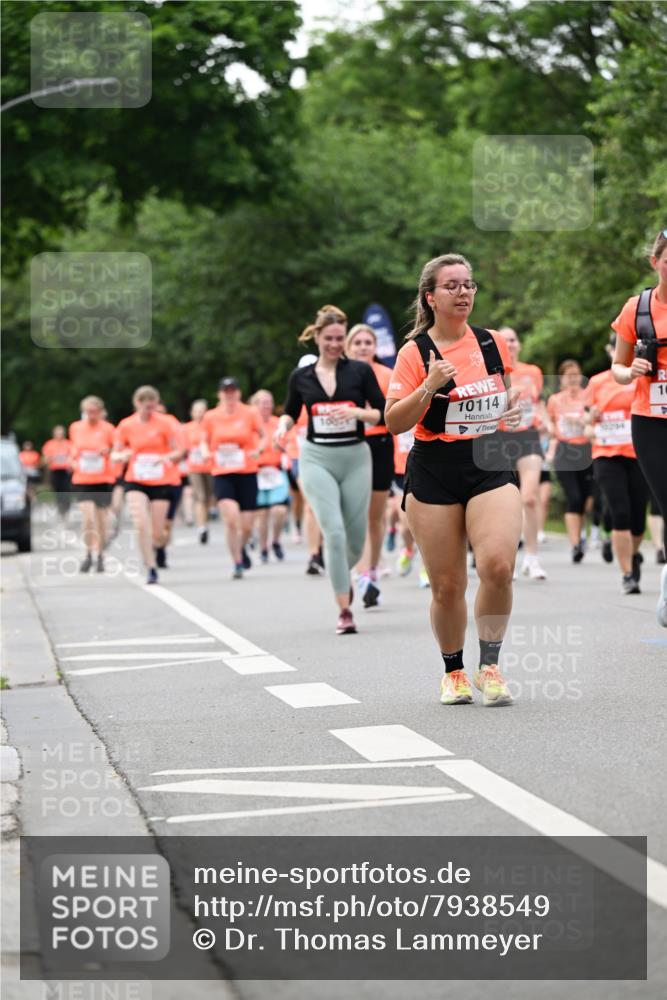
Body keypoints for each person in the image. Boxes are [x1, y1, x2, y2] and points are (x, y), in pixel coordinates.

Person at [385, 253, 522, 706]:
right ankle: (454, 671)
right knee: (447, 586)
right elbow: (394, 422)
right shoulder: (415, 352)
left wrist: (509, 411)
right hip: (434, 470)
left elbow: (501, 397)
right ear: (431, 297)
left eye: (468, 284)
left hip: (489, 460)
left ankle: (490, 665)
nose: (463, 292)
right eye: (452, 286)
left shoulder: (491, 342)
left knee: (498, 567)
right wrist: (428, 385)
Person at [275, 305, 386, 634]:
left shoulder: (360, 372)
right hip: (316, 457)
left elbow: (382, 413)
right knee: (334, 532)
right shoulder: (301, 377)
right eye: (329, 339)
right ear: (318, 338)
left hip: (355, 457)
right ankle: (344, 609)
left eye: (340, 339)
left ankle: (341, 571)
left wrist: (357, 414)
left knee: (355, 537)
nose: (335, 344)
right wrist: (281, 427)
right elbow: (291, 411)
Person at [611, 227, 667, 625]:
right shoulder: (637, 308)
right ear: (655, 262)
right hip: (651, 421)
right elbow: (617, 367)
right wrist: (630, 371)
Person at [586, 334, 648, 594]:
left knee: (638, 518)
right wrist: (591, 419)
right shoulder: (597, 382)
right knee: (620, 512)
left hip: (640, 454)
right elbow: (586, 423)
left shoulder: (644, 377)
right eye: (618, 348)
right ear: (610, 350)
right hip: (607, 454)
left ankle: (632, 554)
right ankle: (627, 574)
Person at [345, 323, 395, 607]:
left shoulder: (386, 374)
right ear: (348, 346)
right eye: (358, 342)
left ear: (375, 347)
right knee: (360, 514)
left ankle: (372, 570)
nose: (363, 347)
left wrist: (362, 413)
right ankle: (362, 575)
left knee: (376, 516)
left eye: (368, 342)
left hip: (380, 444)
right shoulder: (340, 374)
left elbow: (391, 412)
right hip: (350, 445)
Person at [113, 386, 184, 585]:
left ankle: (157, 547)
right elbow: (115, 453)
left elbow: (179, 450)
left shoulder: (167, 422)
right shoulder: (126, 425)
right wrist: (122, 455)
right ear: (137, 404)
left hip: (161, 480)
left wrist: (166, 457)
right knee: (141, 523)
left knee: (158, 532)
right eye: (146, 407)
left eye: (152, 407)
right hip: (136, 479)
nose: (149, 411)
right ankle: (151, 567)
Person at [494, 328, 547, 580]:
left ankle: (532, 558)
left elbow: (539, 403)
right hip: (499, 437)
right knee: (503, 502)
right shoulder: (491, 372)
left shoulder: (533, 372)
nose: (510, 344)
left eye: (513, 340)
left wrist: (547, 422)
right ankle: (507, 557)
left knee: (529, 498)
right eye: (504, 341)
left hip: (528, 435)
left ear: (519, 344)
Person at [201, 377, 265, 579]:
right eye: (225, 391)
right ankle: (237, 562)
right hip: (222, 472)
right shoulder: (211, 416)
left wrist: (258, 449)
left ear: (239, 393)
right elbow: (203, 441)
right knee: (231, 520)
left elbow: (263, 436)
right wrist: (205, 452)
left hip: (247, 471)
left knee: (247, 525)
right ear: (219, 394)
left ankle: (242, 547)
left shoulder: (250, 413)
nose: (229, 395)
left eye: (233, 391)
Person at [546, 360, 593, 562]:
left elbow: (594, 419)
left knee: (586, 500)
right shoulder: (555, 400)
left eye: (576, 374)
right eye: (569, 375)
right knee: (574, 497)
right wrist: (551, 433)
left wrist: (582, 421)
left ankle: (579, 536)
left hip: (586, 450)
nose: (573, 379)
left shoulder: (588, 396)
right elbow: (550, 424)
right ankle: (575, 545)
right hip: (564, 450)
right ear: (562, 379)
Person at [69, 397, 116, 572]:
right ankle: (88, 553)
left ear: (100, 412)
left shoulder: (108, 429)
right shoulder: (76, 427)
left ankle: (101, 555)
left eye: (94, 411)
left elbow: (117, 449)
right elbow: (74, 449)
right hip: (83, 479)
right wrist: (73, 459)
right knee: (88, 518)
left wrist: (107, 451)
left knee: (101, 520)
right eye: (88, 411)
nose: (91, 415)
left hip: (103, 479)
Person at [250, 389, 290, 562]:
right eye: (263, 402)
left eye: (269, 402)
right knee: (261, 514)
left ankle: (275, 540)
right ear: (255, 405)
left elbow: (289, 443)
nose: (266, 405)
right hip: (257, 472)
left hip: (276, 471)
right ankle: (263, 548)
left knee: (279, 510)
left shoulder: (278, 423)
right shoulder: (250, 424)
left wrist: (283, 449)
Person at [184, 399, 213, 544]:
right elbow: (183, 447)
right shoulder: (187, 428)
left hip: (210, 466)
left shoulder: (211, 426)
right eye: (197, 411)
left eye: (203, 411)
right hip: (194, 467)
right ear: (192, 413)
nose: (200, 414)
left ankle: (204, 522)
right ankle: (201, 527)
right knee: (200, 497)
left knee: (208, 497)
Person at [41, 425, 72, 518]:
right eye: (57, 433)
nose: (59, 435)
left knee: (66, 490)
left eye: (61, 433)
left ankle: (66, 509)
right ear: (54, 434)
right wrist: (50, 459)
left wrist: (69, 460)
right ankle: (60, 509)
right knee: (57, 491)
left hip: (66, 471)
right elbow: (44, 459)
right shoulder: (49, 444)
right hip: (55, 471)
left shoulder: (69, 444)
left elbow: (73, 457)